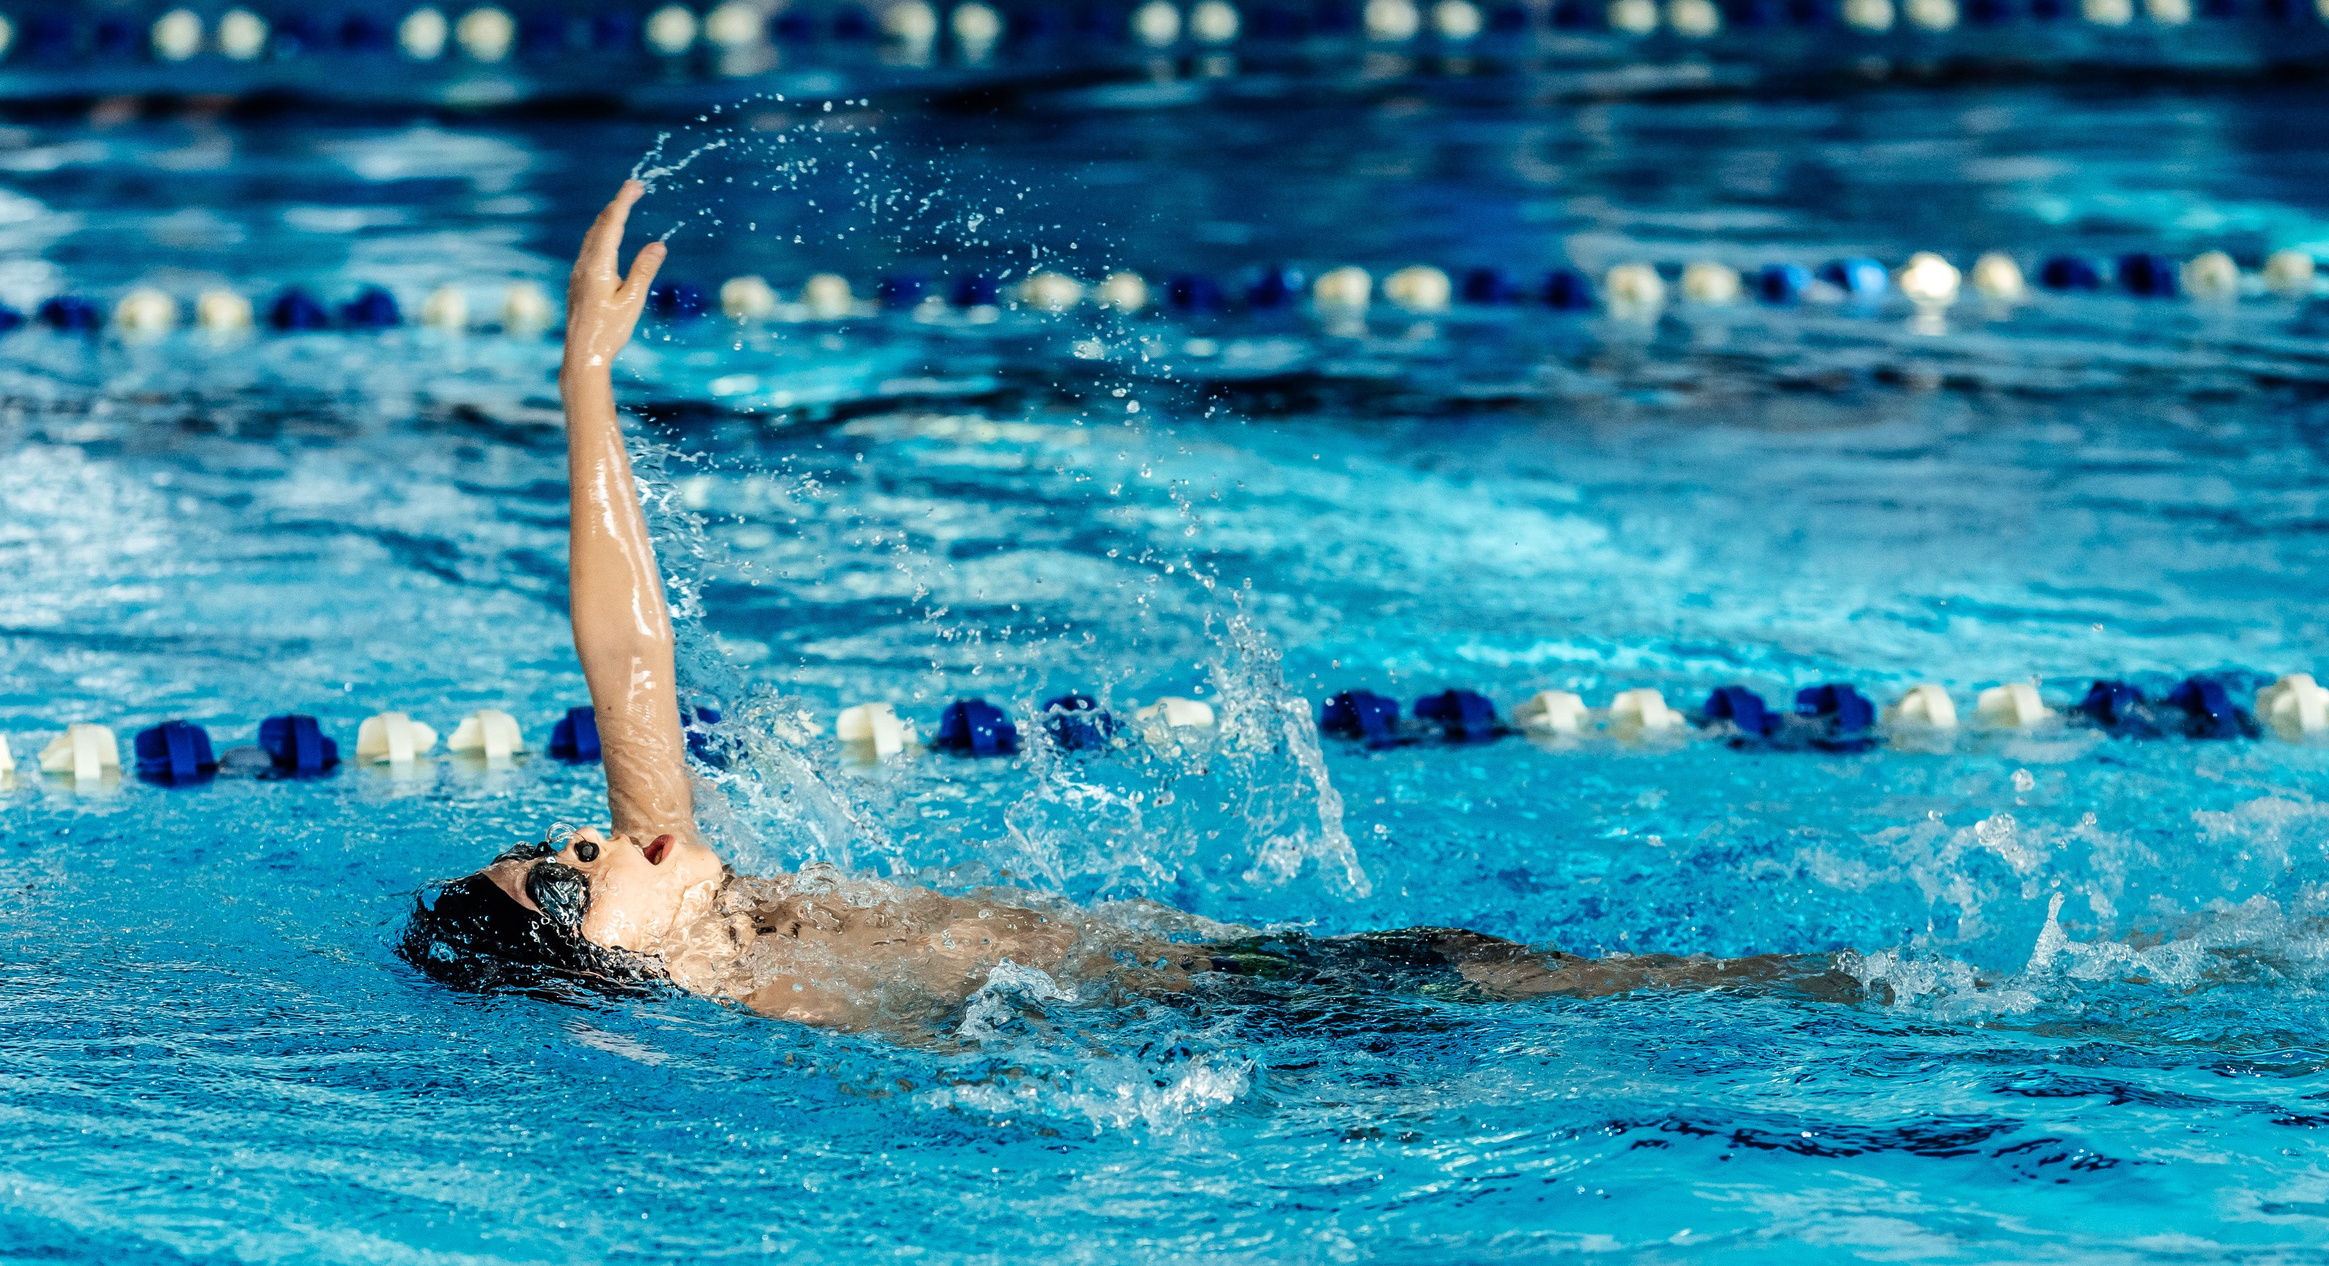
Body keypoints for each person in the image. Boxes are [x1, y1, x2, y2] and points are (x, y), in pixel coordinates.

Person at [402, 182, 1854, 1031]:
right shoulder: (757, 994)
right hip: (1245, 1022)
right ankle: (1883, 1004)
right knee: (1600, 993)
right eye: (565, 883)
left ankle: (1850, 995)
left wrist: (585, 377)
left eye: (552, 840)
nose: (579, 838)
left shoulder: (703, 890)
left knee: (1590, 982)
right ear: (605, 965)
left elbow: (629, 649)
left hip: (1241, 979)